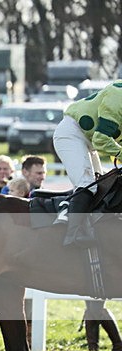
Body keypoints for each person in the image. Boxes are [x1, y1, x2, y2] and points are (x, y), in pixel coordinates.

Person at [52, 81, 122, 247]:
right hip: (72, 134)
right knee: (88, 184)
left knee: (106, 184)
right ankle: (73, 234)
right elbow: (101, 139)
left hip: (89, 140)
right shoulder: (118, 97)